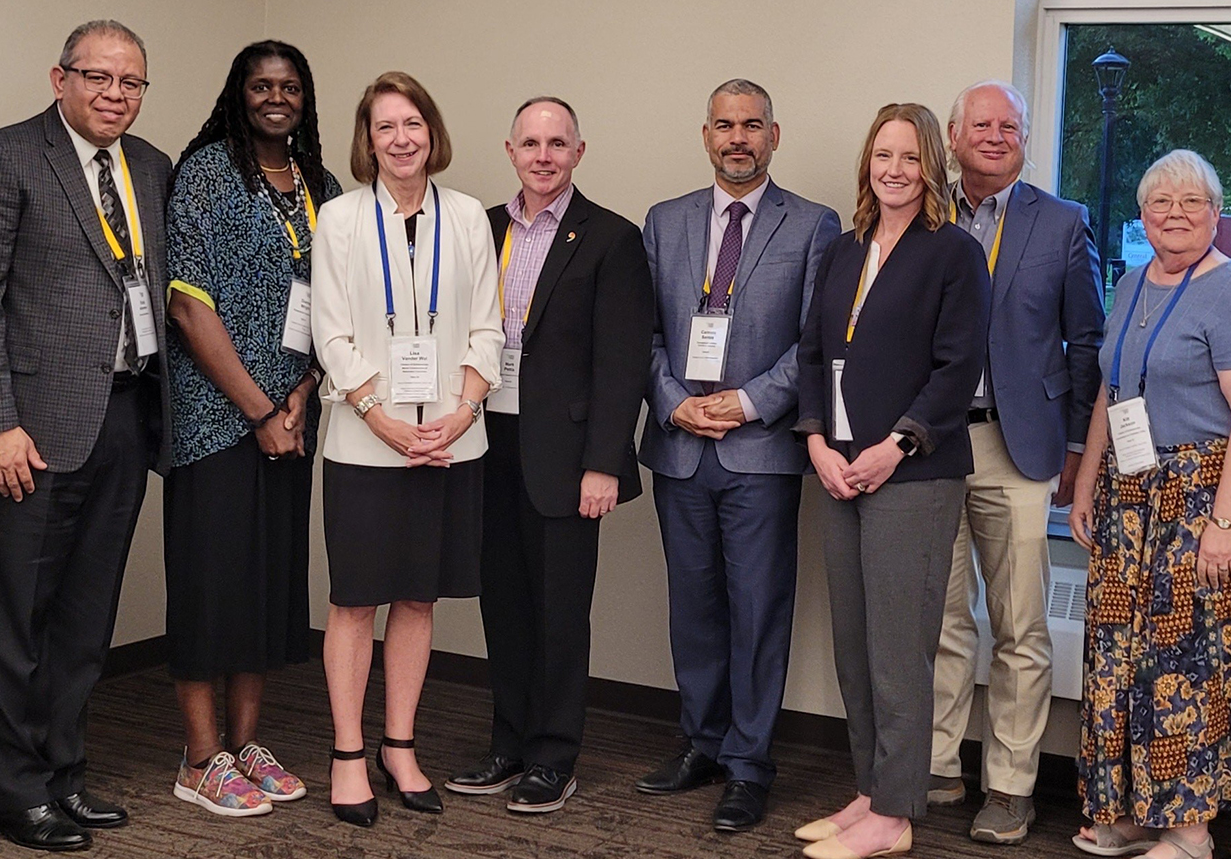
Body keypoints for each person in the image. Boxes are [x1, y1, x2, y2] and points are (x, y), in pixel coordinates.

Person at [0, 20, 172, 852]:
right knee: (14, 618)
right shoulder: (2, 157)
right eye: (98, 77)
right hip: (28, 430)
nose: (115, 94)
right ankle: (12, 794)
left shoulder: (149, 166)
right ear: (59, 77)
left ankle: (62, 775)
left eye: (132, 82)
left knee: (84, 618)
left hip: (124, 416)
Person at [1068, 150, 1231, 859]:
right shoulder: (1132, 282)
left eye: (1193, 202)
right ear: (1141, 215)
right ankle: (1138, 809)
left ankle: (1190, 831)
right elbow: (1114, 390)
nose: (1175, 214)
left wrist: (1226, 526)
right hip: (1131, 499)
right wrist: (1086, 482)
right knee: (1119, 657)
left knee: (1183, 664)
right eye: (1161, 202)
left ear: (1217, 214)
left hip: (1203, 499)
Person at [637, 78, 841, 833]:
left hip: (759, 453)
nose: (738, 138)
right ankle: (703, 743)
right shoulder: (664, 222)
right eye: (724, 125)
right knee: (693, 609)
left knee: (758, 612)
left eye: (752, 125)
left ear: (774, 135)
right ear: (705, 134)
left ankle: (750, 767)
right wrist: (673, 401)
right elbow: (646, 331)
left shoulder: (814, 225)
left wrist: (750, 400)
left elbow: (814, 341)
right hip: (680, 446)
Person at [443, 97, 652, 814]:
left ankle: (555, 757)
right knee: (503, 604)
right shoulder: (481, 229)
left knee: (560, 612)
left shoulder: (611, 239)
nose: (542, 155)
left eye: (556, 144)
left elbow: (623, 364)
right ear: (509, 150)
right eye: (530, 143)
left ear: (578, 152)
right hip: (484, 443)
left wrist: (604, 463)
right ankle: (509, 743)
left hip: (566, 457)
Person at [792, 104, 989, 859]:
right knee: (853, 643)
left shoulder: (953, 254)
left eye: (910, 156)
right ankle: (872, 789)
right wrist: (815, 441)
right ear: (867, 162)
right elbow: (813, 353)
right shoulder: (844, 251)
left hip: (913, 474)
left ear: (932, 165)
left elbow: (957, 369)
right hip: (839, 468)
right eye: (883, 155)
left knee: (898, 649)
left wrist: (896, 445)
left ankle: (897, 812)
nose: (895, 169)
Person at [310, 71, 503, 828]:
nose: (401, 138)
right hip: (366, 445)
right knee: (356, 600)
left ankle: (399, 745)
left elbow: (488, 328)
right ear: (368, 139)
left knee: (419, 598)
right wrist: (378, 415)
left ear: (432, 132)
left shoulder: (465, 218)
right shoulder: (339, 220)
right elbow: (331, 331)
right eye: (386, 126)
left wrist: (459, 413)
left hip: (452, 442)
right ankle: (349, 753)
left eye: (413, 123)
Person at [161, 40, 342, 819]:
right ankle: (201, 758)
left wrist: (299, 395)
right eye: (261, 84)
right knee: (212, 585)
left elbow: (331, 310)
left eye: (290, 86)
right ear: (238, 92)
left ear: (305, 98)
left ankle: (244, 745)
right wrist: (260, 411)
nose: (277, 97)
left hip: (293, 415)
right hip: (217, 421)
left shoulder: (322, 187)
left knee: (268, 581)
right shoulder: (203, 175)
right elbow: (187, 305)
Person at [928, 80, 1106, 845]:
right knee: (937, 619)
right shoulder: (924, 216)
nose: (996, 135)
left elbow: (1089, 343)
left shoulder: (1062, 224)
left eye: (1011, 125)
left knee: (1021, 627)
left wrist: (1073, 447)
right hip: (929, 445)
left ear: (1025, 139)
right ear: (953, 134)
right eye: (983, 124)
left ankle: (1010, 784)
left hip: (1020, 448)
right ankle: (936, 764)